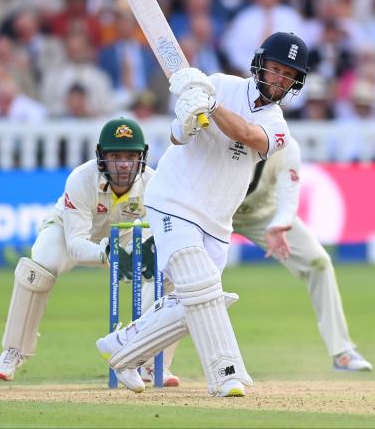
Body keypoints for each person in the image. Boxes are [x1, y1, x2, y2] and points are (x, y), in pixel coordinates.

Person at [97, 32, 308, 397]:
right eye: (276, 69)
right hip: (173, 201)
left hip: (217, 221)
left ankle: (122, 346)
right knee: (201, 288)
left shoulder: (278, 127)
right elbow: (176, 136)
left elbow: (247, 134)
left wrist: (209, 107)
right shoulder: (219, 84)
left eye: (288, 76)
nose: (279, 80)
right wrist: (190, 118)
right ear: (260, 64)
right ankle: (226, 373)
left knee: (192, 302)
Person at [0, 118, 179, 384]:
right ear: (102, 156)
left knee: (170, 273)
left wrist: (149, 255)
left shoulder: (152, 182)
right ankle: (14, 350)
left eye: (131, 156)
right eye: (116, 156)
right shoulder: (81, 179)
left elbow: (158, 231)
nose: (124, 164)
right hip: (68, 231)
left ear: (142, 156)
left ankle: (149, 361)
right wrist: (107, 253)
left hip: (124, 236)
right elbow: (76, 244)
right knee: (40, 265)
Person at [232, 136, 372, 371]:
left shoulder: (287, 146)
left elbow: (288, 199)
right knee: (184, 271)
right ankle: (157, 363)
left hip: (263, 214)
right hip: (217, 211)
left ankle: (341, 351)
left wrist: (280, 224)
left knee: (319, 263)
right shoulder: (230, 136)